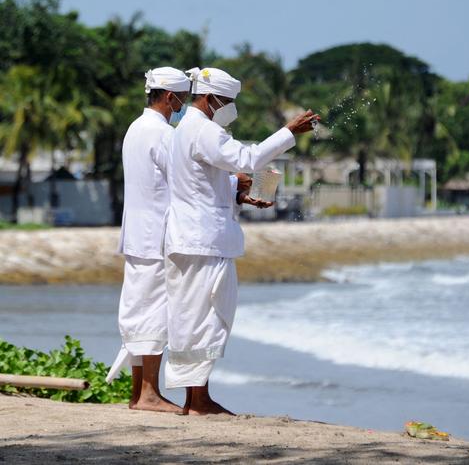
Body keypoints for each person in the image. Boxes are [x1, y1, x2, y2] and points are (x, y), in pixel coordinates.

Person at [164, 66, 318, 415]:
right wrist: (289, 131)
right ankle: (198, 399)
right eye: (227, 101)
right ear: (208, 98)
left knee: (193, 316)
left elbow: (201, 183)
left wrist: (237, 192)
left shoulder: (186, 129)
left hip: (192, 236)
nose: (230, 107)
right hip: (202, 240)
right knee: (208, 317)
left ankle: (195, 398)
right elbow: (247, 159)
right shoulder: (204, 130)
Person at [105, 67, 190, 413]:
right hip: (156, 235)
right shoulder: (164, 134)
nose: (184, 103)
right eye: (183, 97)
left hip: (136, 235)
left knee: (139, 310)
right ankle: (150, 394)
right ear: (170, 97)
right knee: (155, 313)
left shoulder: (134, 129)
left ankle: (139, 393)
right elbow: (185, 182)